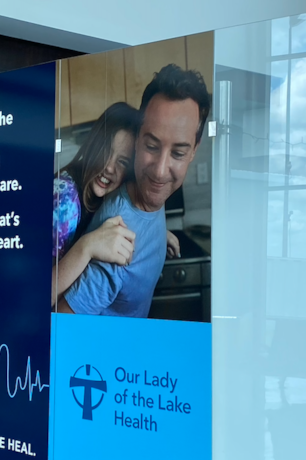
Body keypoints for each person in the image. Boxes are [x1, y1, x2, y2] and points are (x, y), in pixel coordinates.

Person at [58, 64, 210, 318]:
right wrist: (87, 247)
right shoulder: (70, 205)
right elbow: (59, 322)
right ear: (139, 140)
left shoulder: (144, 191)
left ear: (194, 150)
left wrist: (158, 234)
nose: (160, 172)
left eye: (178, 153)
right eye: (152, 146)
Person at [52, 101, 179, 306]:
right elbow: (37, 295)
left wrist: (157, 233)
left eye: (122, 162)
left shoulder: (100, 197)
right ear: (93, 146)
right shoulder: (65, 200)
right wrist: (87, 246)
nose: (109, 168)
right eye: (106, 152)